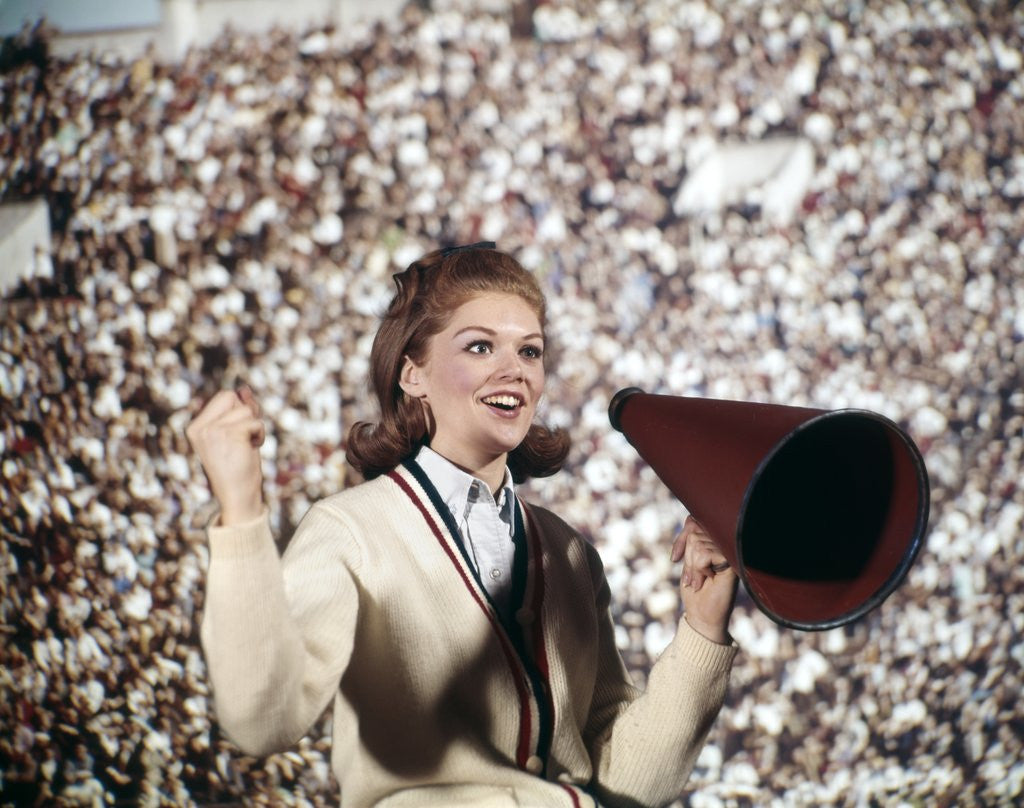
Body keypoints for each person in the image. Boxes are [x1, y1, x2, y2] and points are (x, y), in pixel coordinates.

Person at [186, 243, 739, 808]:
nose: (514, 371)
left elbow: (627, 785)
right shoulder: (350, 531)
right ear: (413, 374)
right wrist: (242, 512)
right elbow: (263, 722)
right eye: (480, 346)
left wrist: (702, 627)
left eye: (530, 351)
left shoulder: (569, 552)